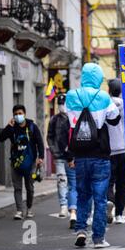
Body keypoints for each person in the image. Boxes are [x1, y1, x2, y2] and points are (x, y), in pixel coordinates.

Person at [66, 63, 121, 249]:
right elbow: (115, 119)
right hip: (100, 155)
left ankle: (81, 230)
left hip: (79, 156)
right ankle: (98, 239)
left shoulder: (71, 95)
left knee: (82, 195)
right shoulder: (104, 97)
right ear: (98, 78)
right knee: (99, 198)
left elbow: (71, 121)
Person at [0, 104, 44, 220]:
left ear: (24, 114)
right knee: (17, 188)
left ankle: (29, 208)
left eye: (20, 113)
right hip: (16, 163)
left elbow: (40, 142)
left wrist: (41, 157)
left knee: (30, 187)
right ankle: (19, 210)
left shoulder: (32, 126)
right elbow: (0, 138)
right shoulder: (12, 128)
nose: (18, 116)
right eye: (16, 114)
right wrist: (8, 126)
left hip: (31, 162)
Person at [47, 94, 77, 229]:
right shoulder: (54, 120)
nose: (61, 105)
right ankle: (63, 205)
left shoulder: (74, 118)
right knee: (61, 181)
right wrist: (54, 151)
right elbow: (50, 136)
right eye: (60, 103)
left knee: (72, 182)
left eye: (63, 103)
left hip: (71, 156)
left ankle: (72, 207)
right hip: (59, 156)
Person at [106, 79, 125, 225]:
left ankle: (109, 200)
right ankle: (119, 214)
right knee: (121, 183)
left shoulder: (105, 104)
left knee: (109, 181)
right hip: (124, 149)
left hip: (109, 149)